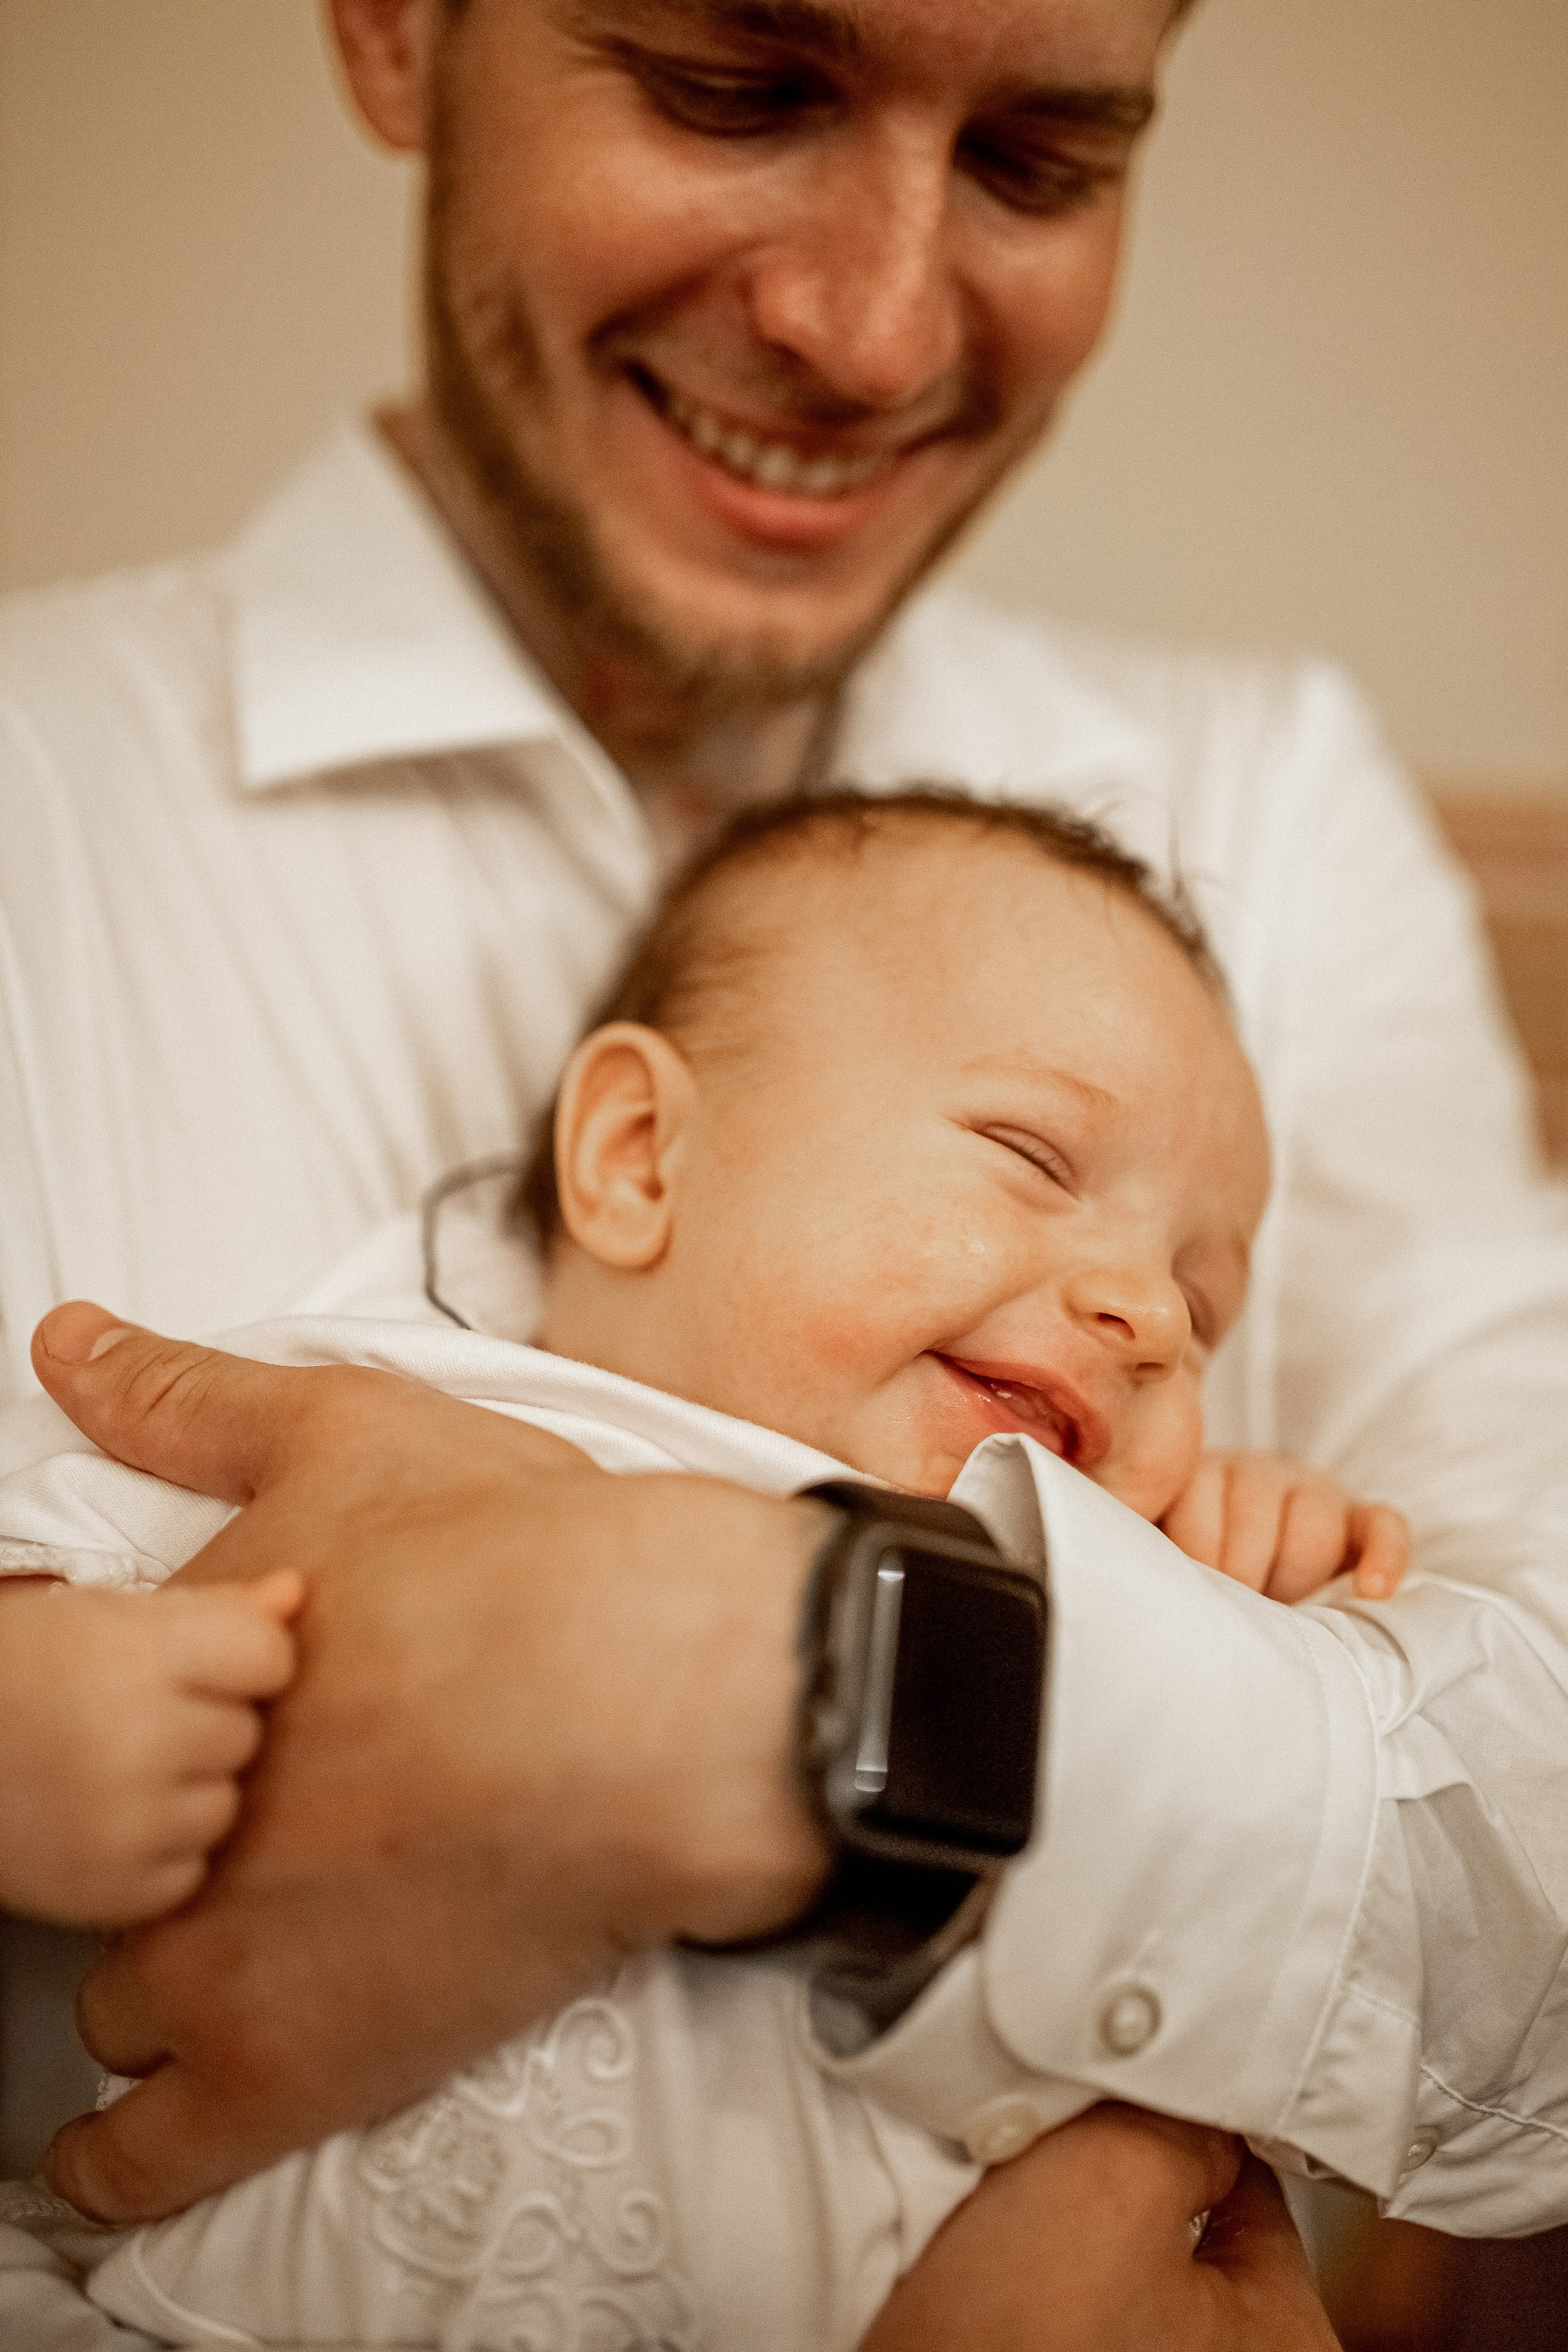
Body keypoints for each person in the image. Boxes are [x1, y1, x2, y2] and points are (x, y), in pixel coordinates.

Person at [2, 0, 1566, 2317]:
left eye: (1040, 159)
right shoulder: (41, 819)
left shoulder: (1266, 808)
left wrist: (739, 1671)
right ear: (397, 31)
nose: (873, 330)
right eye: (732, 91)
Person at [0, 792, 1392, 2348]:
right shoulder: (406, 1416)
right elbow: (60, 1562)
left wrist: (1242, 1585)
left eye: (1205, 1303)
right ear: (639, 1157)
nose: (1148, 1311)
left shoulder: (1081, 1595)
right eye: (1027, 1154)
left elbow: (1275, 1855)